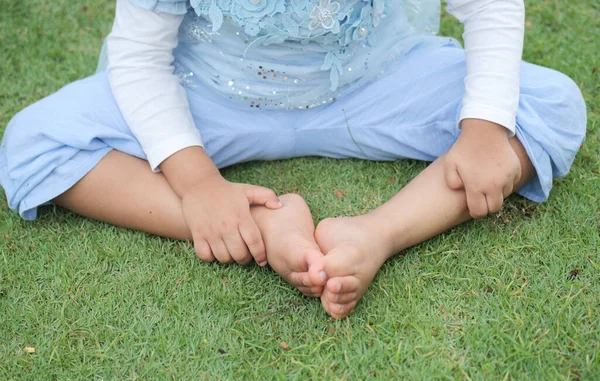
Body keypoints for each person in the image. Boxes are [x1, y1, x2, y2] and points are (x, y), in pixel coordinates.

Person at [0, 0, 587, 319]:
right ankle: (259, 225)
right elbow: (137, 57)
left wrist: (484, 130)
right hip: (209, 99)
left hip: (373, 86)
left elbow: (489, 7)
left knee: (551, 105)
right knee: (33, 142)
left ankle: (375, 234)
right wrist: (197, 183)